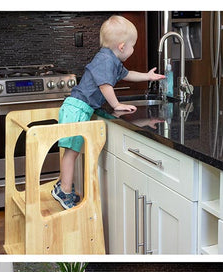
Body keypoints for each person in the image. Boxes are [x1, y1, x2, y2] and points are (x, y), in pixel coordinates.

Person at [52, 15, 165, 209]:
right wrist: (117, 105)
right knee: (72, 153)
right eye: (132, 46)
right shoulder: (105, 59)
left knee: (72, 152)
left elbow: (127, 74)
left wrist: (147, 76)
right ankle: (63, 190)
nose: (133, 49)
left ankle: (63, 186)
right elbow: (105, 86)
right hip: (77, 109)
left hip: (79, 108)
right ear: (122, 46)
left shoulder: (111, 60)